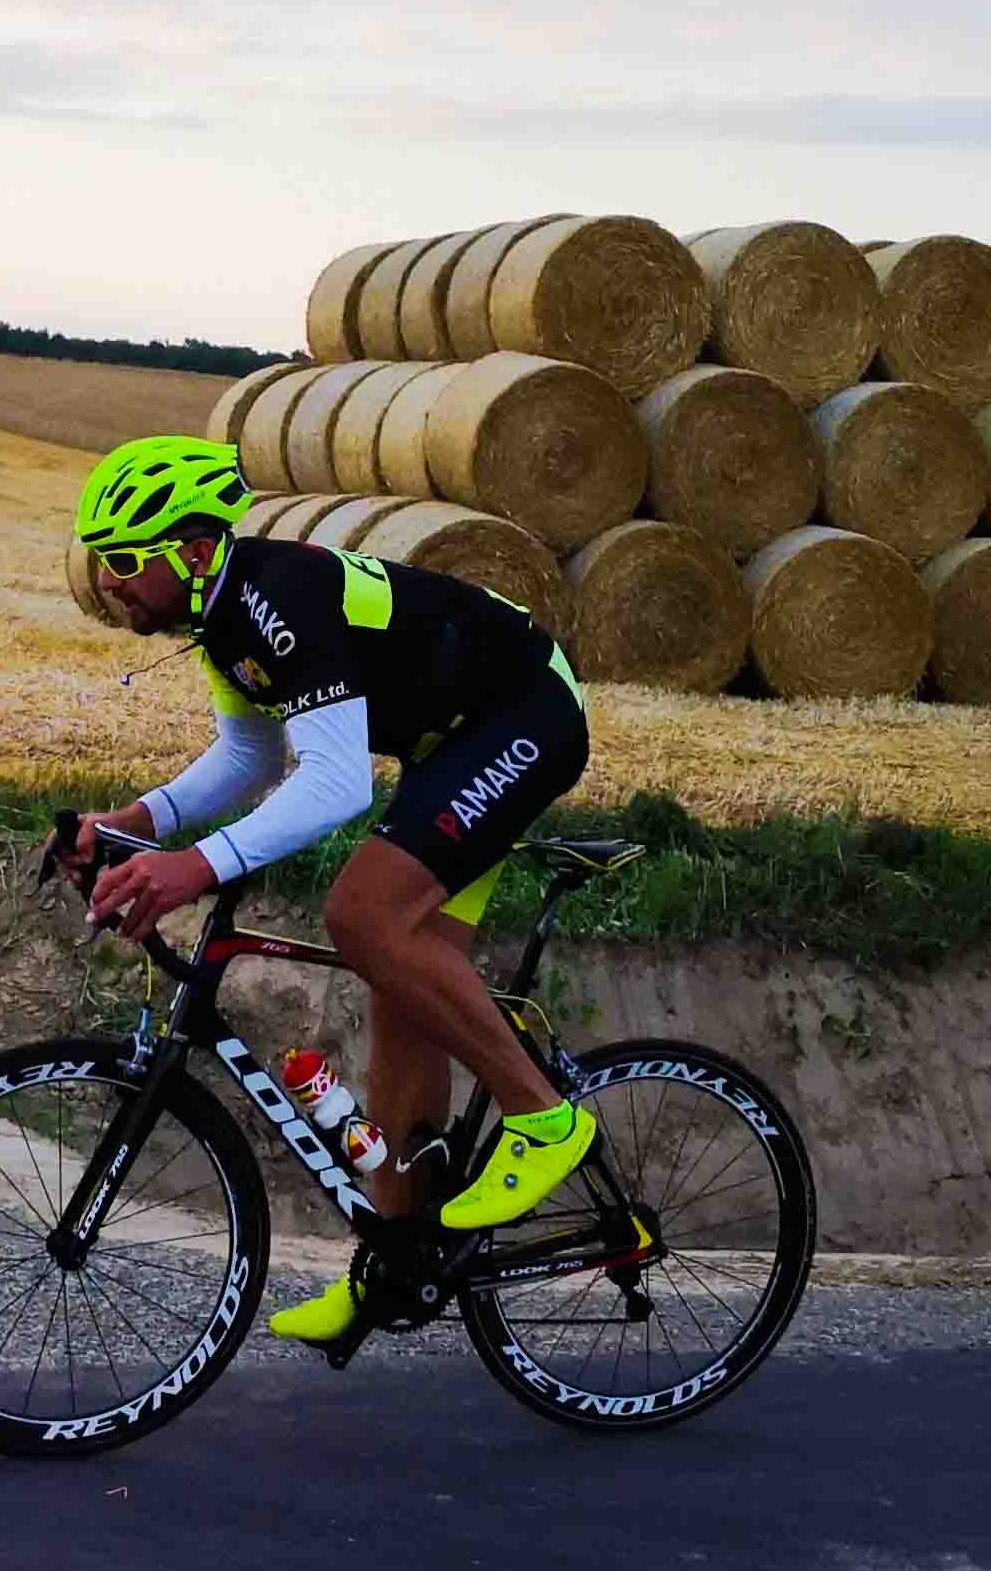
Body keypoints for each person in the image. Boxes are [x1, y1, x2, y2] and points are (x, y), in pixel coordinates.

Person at [51, 434, 595, 1347]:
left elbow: (336, 783)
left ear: (190, 550)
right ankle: (400, 1260)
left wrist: (192, 866)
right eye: (102, 561)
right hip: (452, 742)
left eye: (123, 561)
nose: (109, 581)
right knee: (401, 996)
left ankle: (544, 1120)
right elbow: (249, 756)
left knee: (361, 915)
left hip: (521, 715)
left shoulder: (279, 598)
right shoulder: (223, 618)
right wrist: (130, 826)